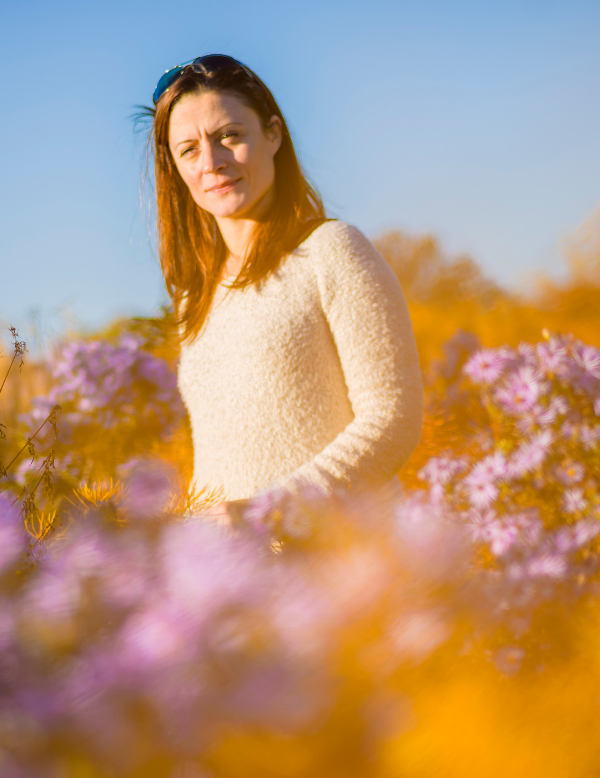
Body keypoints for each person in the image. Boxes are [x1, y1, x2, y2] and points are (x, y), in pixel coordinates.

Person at [145, 54, 423, 520]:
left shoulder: (332, 250)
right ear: (173, 166)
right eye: (188, 149)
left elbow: (393, 420)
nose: (211, 162)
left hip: (348, 569)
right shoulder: (196, 296)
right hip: (239, 582)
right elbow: (218, 469)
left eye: (229, 136)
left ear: (273, 134)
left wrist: (270, 513)